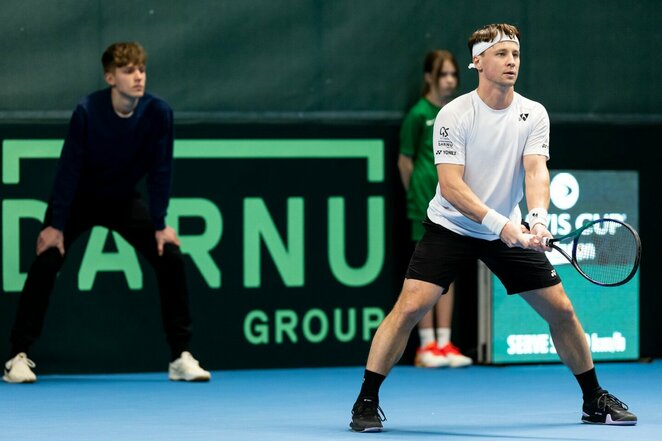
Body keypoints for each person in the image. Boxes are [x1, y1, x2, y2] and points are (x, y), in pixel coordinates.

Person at [349, 23, 636, 432]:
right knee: (410, 307)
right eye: (501, 54)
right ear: (477, 62)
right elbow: (451, 186)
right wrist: (503, 225)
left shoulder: (532, 113)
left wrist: (537, 218)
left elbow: (536, 170)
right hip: (451, 225)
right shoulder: (453, 114)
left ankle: (593, 398)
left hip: (507, 229)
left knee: (563, 311)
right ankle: (366, 399)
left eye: (515, 55)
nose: (511, 62)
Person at [3, 42, 211, 383]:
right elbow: (69, 169)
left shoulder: (159, 113)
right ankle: (17, 356)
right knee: (48, 260)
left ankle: (180, 357)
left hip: (122, 200)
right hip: (78, 200)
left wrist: (159, 224)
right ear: (110, 77)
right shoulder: (87, 111)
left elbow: (161, 170)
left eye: (141, 70)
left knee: (170, 255)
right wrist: (57, 224)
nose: (138, 77)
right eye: (129, 71)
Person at [398, 50, 472, 369]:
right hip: (424, 206)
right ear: (429, 77)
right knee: (425, 274)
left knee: (448, 273)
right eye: (443, 75)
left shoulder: (459, 114)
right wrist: (416, 195)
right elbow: (405, 160)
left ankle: (445, 342)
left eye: (454, 75)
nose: (450, 81)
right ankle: (426, 346)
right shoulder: (418, 114)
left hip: (454, 207)